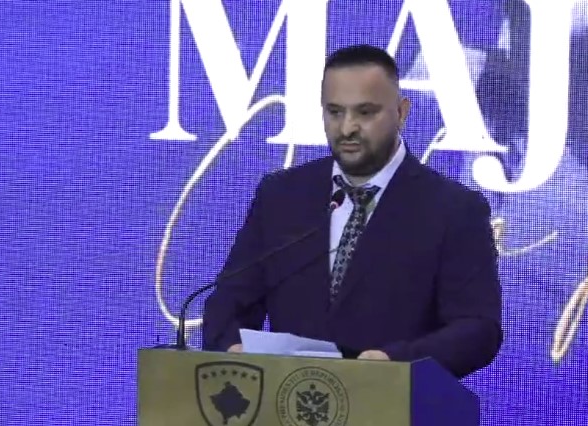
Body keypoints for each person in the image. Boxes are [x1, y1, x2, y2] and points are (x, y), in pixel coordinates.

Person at [201, 44, 502, 379]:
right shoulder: (282, 196)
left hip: (392, 397)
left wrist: (395, 361)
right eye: (335, 112)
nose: (347, 128)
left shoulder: (454, 209)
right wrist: (233, 349)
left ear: (401, 112)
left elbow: (478, 329)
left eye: (365, 112)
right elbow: (228, 303)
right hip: (284, 396)